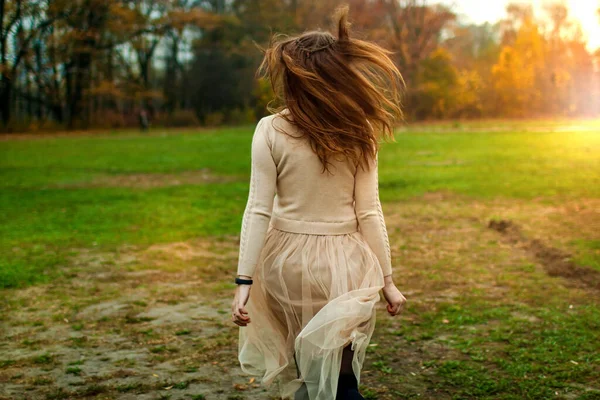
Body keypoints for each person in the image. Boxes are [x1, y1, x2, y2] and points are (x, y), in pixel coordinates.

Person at [231, 7, 407, 400]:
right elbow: (369, 212)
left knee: (308, 369)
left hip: (285, 264)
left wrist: (244, 281)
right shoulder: (359, 131)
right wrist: (388, 283)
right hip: (342, 266)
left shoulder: (270, 129)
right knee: (342, 377)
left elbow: (257, 209)